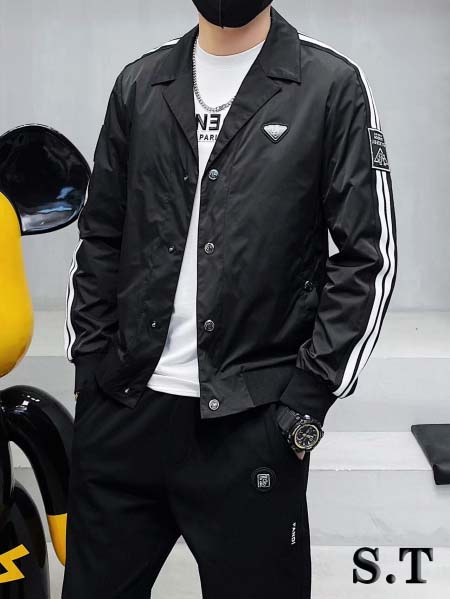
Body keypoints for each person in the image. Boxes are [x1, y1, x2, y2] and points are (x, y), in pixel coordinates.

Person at [62, 2, 398, 598]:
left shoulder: (329, 85)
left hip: (252, 423)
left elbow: (367, 256)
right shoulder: (141, 83)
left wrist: (307, 400)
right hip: (126, 412)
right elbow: (101, 236)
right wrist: (91, 371)